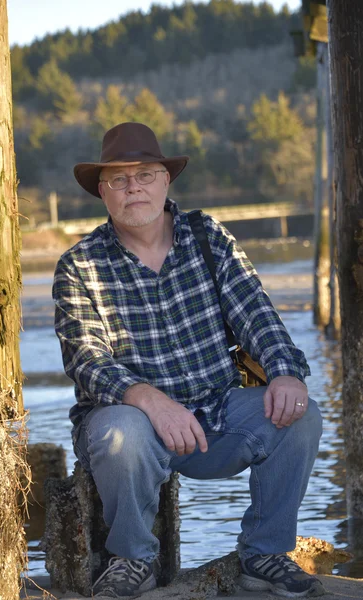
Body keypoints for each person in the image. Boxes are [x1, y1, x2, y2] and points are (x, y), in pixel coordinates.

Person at [53, 122, 324, 599]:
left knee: (300, 416)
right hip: (133, 426)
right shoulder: (80, 265)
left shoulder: (207, 236)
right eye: (118, 178)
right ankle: (133, 559)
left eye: (145, 173)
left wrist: (285, 371)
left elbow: (256, 313)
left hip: (216, 414)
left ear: (166, 180)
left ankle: (264, 553)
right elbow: (87, 361)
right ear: (102, 191)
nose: (133, 186)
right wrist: (154, 404)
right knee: (120, 432)